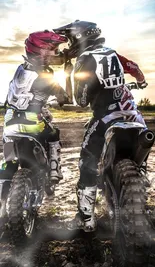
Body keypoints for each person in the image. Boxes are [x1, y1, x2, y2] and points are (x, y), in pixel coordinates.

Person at [54, 20, 148, 231]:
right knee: (141, 154)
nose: (69, 45)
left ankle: (86, 220)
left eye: (70, 40)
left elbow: (82, 99)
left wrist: (76, 83)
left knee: (86, 162)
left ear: (80, 38)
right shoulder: (112, 53)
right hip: (134, 117)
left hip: (106, 118)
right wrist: (140, 82)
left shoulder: (85, 59)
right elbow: (134, 68)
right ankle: (140, 177)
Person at [3, 30, 70, 184]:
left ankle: (2, 198)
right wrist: (68, 74)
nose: (55, 53)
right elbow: (64, 98)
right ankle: (54, 170)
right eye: (52, 49)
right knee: (54, 133)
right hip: (32, 122)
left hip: (10, 122)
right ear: (42, 51)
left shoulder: (21, 69)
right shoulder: (46, 75)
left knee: (8, 163)